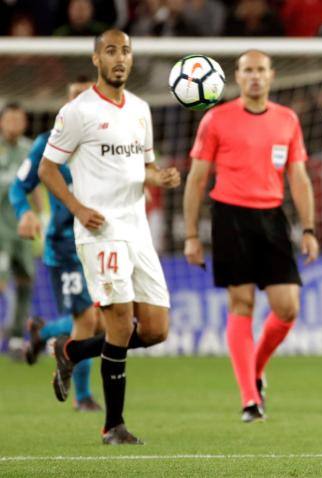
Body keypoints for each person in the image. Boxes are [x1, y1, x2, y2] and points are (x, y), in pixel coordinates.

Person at [39, 29, 181, 444]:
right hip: (101, 232)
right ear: (96, 59)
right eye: (111, 51)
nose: (120, 58)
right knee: (119, 321)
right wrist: (79, 209)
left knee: (155, 330)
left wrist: (162, 176)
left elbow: (147, 166)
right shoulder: (77, 111)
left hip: (138, 231)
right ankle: (112, 425)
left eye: (126, 51)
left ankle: (71, 351)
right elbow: (48, 169)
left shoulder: (140, 109)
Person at [184, 50, 319, 423]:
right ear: (237, 77)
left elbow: (299, 178)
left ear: (272, 75)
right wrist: (192, 235)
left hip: (272, 217)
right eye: (248, 71)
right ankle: (249, 400)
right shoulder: (215, 119)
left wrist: (308, 229)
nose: (255, 76)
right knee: (241, 303)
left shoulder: (287, 120)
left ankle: (255, 369)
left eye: (261, 70)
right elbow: (196, 179)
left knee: (287, 307)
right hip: (229, 216)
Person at [9, 77, 103, 411]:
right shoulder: (47, 144)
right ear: (65, 103)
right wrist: (24, 213)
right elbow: (19, 188)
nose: (80, 103)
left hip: (104, 243)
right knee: (88, 320)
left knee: (106, 319)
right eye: (73, 97)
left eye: (86, 96)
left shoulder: (107, 141)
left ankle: (42, 331)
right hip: (66, 247)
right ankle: (83, 396)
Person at [0, 103, 35, 360]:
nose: (14, 124)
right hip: (0, 230)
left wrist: (42, 215)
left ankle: (14, 339)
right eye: (9, 119)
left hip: (22, 228)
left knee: (25, 282)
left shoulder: (30, 149)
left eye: (18, 119)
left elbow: (34, 187)